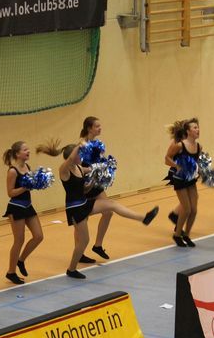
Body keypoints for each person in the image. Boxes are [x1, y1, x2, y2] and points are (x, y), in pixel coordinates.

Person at [38, 141, 160, 279]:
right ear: (72, 156)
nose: (81, 157)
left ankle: (144, 218)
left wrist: (105, 168)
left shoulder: (79, 168)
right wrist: (79, 145)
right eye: (79, 155)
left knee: (112, 204)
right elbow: (71, 159)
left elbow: (87, 183)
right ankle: (71, 269)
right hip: (75, 209)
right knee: (84, 241)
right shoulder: (64, 170)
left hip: (84, 203)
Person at [2, 141, 44, 285]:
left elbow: (29, 187)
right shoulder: (12, 171)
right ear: (17, 154)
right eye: (25, 150)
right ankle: (11, 272)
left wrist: (38, 183)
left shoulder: (27, 167)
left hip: (28, 206)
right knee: (19, 240)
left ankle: (21, 260)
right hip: (16, 207)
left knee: (38, 236)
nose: (28, 151)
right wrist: (25, 187)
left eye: (28, 149)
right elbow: (10, 193)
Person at [77, 117, 113, 262]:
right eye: (97, 126)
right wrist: (91, 171)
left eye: (100, 125)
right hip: (84, 186)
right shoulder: (82, 145)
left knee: (108, 212)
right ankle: (79, 253)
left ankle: (98, 245)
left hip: (96, 184)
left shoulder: (98, 144)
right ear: (89, 128)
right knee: (82, 220)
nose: (100, 128)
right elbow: (77, 167)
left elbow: (99, 163)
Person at [164, 118, 201, 247]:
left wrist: (201, 171)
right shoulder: (179, 145)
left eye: (198, 127)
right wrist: (177, 166)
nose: (198, 129)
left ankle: (187, 235)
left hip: (191, 179)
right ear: (188, 131)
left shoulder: (199, 146)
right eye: (195, 128)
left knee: (194, 210)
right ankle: (177, 234)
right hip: (179, 179)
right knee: (186, 209)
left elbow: (196, 163)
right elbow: (167, 159)